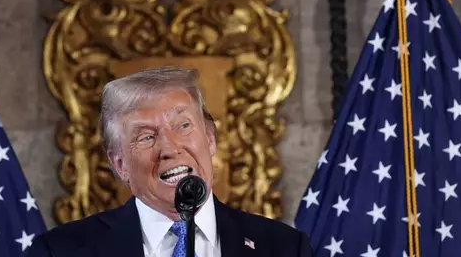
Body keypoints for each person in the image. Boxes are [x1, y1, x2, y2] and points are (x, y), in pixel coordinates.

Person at [27, 66, 313, 256]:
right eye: (146, 137)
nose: (169, 148)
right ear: (120, 164)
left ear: (210, 138)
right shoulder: (59, 252)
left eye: (183, 126)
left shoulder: (285, 248)